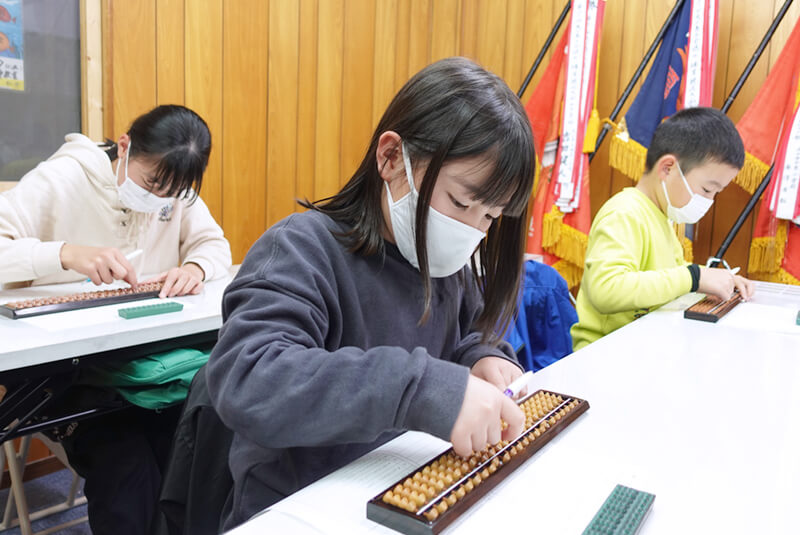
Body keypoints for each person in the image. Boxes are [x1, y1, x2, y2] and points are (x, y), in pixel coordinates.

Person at [206, 57, 536, 530]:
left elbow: (469, 334)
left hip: (407, 492)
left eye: (489, 216)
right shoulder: (303, 247)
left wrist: (484, 358)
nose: (471, 229)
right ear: (390, 158)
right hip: (301, 509)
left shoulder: (447, 267)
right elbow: (249, 376)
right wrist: (420, 389)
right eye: (461, 202)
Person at [0, 104, 232, 534]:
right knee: (128, 470)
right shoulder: (65, 177)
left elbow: (215, 246)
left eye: (174, 193)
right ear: (124, 147)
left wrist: (195, 268)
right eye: (152, 184)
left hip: (139, 367)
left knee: (188, 450)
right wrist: (66, 253)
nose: (161, 200)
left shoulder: (176, 192)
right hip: (66, 371)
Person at [571, 107, 756, 351]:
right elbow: (606, 290)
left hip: (644, 346)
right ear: (668, 168)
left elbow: (670, 277)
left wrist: (715, 279)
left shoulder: (662, 218)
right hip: (605, 354)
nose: (709, 201)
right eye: (707, 190)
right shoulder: (624, 212)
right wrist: (694, 277)